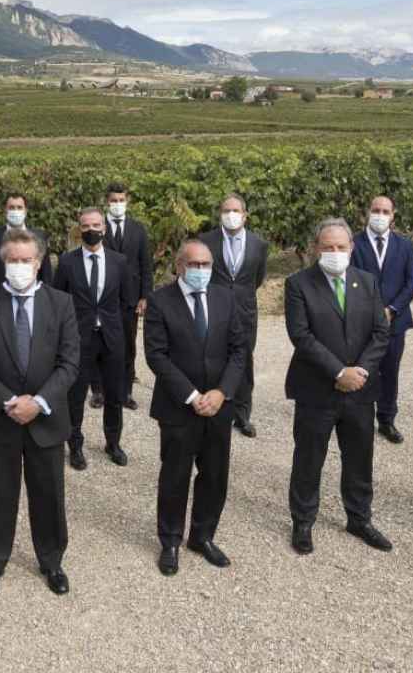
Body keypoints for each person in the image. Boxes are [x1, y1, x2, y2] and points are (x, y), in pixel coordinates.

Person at [0, 227, 80, 598]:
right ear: (3, 262)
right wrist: (10, 401)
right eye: (12, 260)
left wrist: (39, 402)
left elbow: (69, 362)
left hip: (46, 419)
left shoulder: (61, 304)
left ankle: (51, 561)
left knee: (48, 494)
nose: (18, 266)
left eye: (25, 260)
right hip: (1, 419)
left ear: (40, 262)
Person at [284, 219, 394, 556]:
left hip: (361, 388)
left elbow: (380, 332)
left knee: (360, 456)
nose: (334, 253)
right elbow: (301, 335)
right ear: (317, 248)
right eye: (328, 247)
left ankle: (359, 518)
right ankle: (303, 521)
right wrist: (337, 372)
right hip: (317, 388)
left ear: (352, 248)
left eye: (340, 247)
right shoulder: (298, 284)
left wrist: (358, 371)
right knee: (309, 457)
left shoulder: (368, 282)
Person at [144, 240, 245, 576]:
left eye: (206, 264)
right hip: (178, 407)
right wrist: (191, 395)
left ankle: (202, 536)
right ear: (179, 266)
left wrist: (222, 392)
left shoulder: (225, 298)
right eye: (194, 264)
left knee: (215, 474)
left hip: (219, 405)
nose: (200, 270)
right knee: (175, 475)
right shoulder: (160, 302)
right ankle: (170, 540)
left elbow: (238, 351)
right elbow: (157, 355)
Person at [52, 206, 138, 470]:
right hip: (78, 338)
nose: (91, 230)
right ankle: (75, 445)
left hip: (111, 338)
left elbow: (127, 301)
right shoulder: (67, 262)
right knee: (75, 395)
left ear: (105, 228)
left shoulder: (118, 261)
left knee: (114, 394)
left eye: (96, 225)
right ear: (80, 229)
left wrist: (121, 334)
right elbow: (58, 301)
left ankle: (113, 443)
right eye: (86, 226)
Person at [350, 195, 413, 445]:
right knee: (363, 369)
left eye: (385, 211)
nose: (380, 215)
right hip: (360, 322)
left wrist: (392, 309)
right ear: (367, 213)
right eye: (375, 210)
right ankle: (360, 419)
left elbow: (412, 283)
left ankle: (387, 419)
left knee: (390, 371)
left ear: (393, 215)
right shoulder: (352, 244)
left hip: (395, 322)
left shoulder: (404, 246)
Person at [198, 193, 269, 439]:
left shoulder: (259, 244)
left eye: (235, 210)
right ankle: (212, 405)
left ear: (245, 215)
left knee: (244, 361)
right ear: (220, 214)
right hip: (215, 308)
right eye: (226, 210)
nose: (231, 215)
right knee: (213, 356)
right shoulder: (206, 240)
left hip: (244, 311)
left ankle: (242, 414)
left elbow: (257, 278)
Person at [96, 182, 151, 411]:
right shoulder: (98, 228)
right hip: (104, 297)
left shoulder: (138, 230)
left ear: (127, 201)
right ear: (107, 202)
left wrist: (145, 296)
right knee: (100, 342)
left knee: (128, 345)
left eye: (121, 200)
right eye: (113, 201)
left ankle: (126, 391)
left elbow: (146, 265)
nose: (118, 204)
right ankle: (98, 391)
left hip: (130, 299)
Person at [0, 192, 52, 291]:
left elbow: (46, 275)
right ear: (5, 210)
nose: (15, 211)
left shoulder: (39, 237)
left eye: (19, 207)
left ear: (25, 210)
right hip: (1, 299)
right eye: (11, 207)